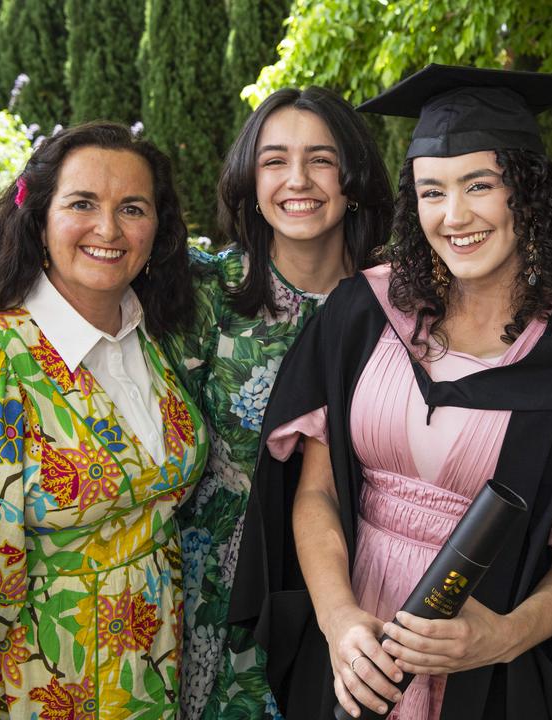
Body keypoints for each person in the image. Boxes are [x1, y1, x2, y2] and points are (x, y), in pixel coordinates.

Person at [228, 64, 552, 720]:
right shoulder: (365, 314)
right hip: (358, 654)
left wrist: (503, 636)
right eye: (432, 191)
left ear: (527, 191)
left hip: (485, 673)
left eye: (479, 185)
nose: (454, 216)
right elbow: (315, 491)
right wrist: (339, 621)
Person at [0, 121, 208, 719]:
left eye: (131, 208)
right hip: (26, 692)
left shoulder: (147, 336)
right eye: (82, 203)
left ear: (157, 230)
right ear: (39, 217)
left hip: (145, 682)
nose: (107, 229)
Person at [160, 86, 392, 719]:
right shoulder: (207, 290)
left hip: (353, 575)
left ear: (353, 175)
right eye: (274, 160)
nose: (298, 180)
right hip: (215, 579)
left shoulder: (397, 304)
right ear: (249, 178)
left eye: (321, 159)